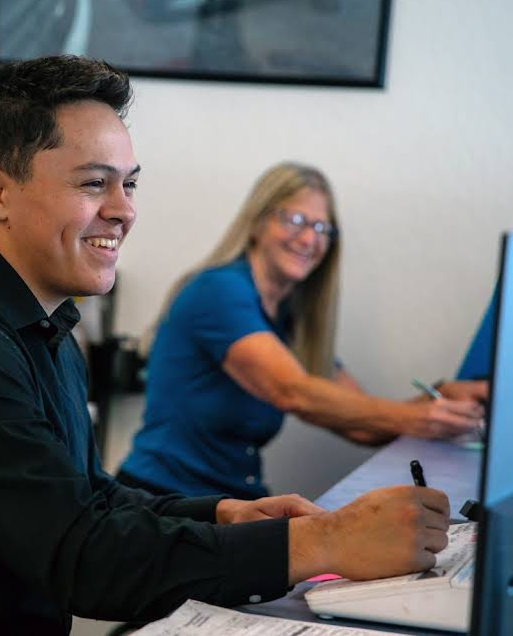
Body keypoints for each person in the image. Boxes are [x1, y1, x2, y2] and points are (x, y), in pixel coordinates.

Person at [0, 58, 459, 635]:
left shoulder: (43, 325)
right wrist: (323, 541)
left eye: (129, 182)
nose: (126, 209)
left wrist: (227, 515)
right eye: (94, 183)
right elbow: (84, 557)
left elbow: (83, 495)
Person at [117, 162, 488, 501]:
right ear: (258, 222)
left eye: (321, 227)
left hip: (232, 501)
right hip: (163, 501)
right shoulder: (220, 291)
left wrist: (441, 398)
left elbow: (362, 425)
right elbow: (294, 392)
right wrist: (420, 418)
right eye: (294, 219)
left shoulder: (288, 318)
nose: (309, 239)